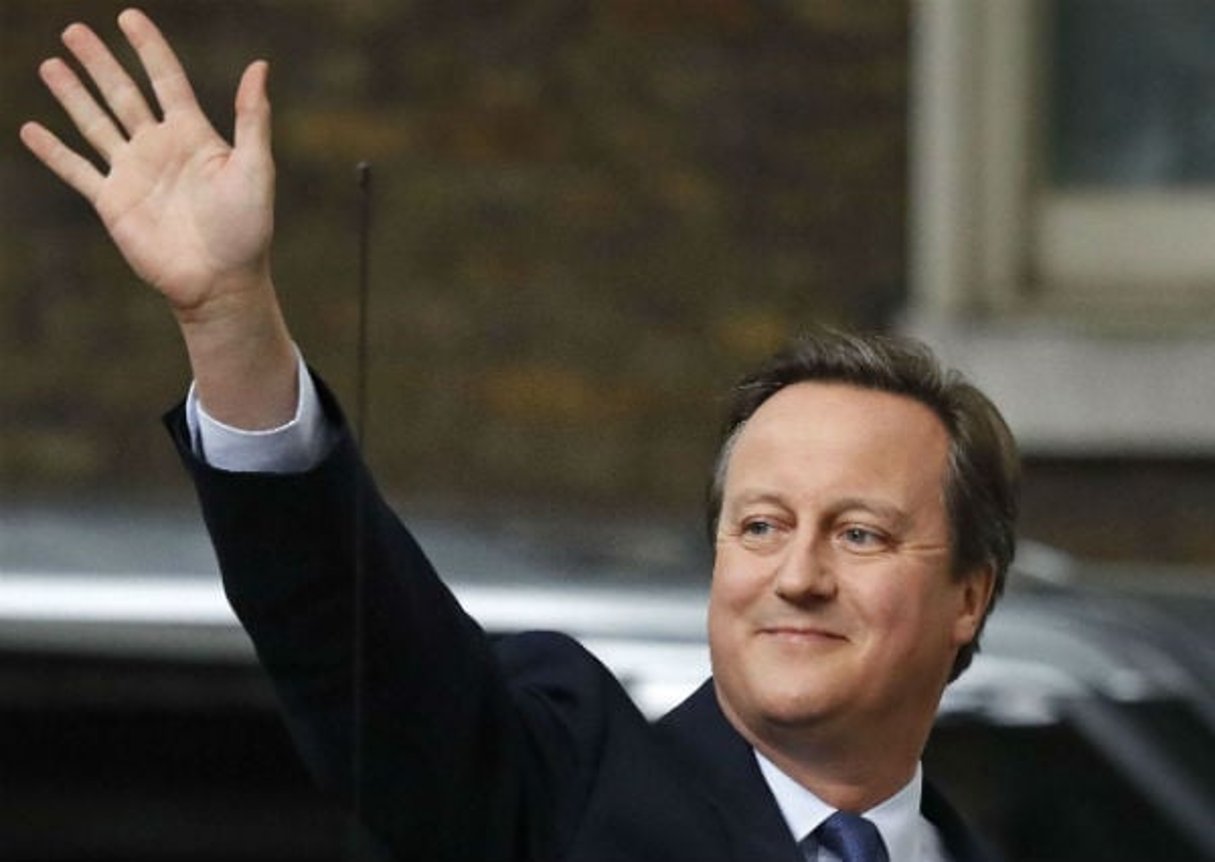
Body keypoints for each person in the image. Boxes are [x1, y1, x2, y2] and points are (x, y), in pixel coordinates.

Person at [21, 10, 1019, 861]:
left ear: (968, 595)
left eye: (859, 534)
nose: (796, 574)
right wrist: (231, 320)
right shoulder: (562, 786)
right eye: (761, 526)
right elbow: (355, 644)